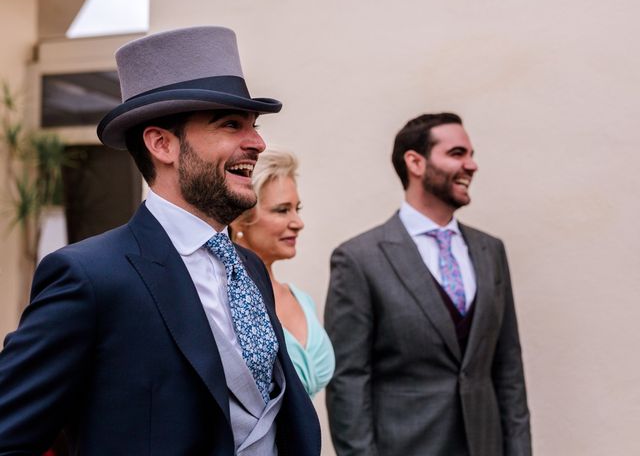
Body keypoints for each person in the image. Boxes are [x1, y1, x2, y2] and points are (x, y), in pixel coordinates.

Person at [0, 26, 320, 455]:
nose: (257, 143)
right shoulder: (90, 277)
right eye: (230, 125)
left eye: (254, 126)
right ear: (162, 144)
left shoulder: (250, 268)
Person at [325, 113, 531, 456]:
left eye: (471, 154)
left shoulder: (490, 251)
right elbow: (348, 382)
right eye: (457, 154)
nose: (472, 165)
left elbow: (509, 368)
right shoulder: (359, 259)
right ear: (415, 162)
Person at [230, 149, 335, 398]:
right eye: (282, 210)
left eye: (297, 209)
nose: (298, 222)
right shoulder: (224, 299)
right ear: (239, 219)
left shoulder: (301, 299)